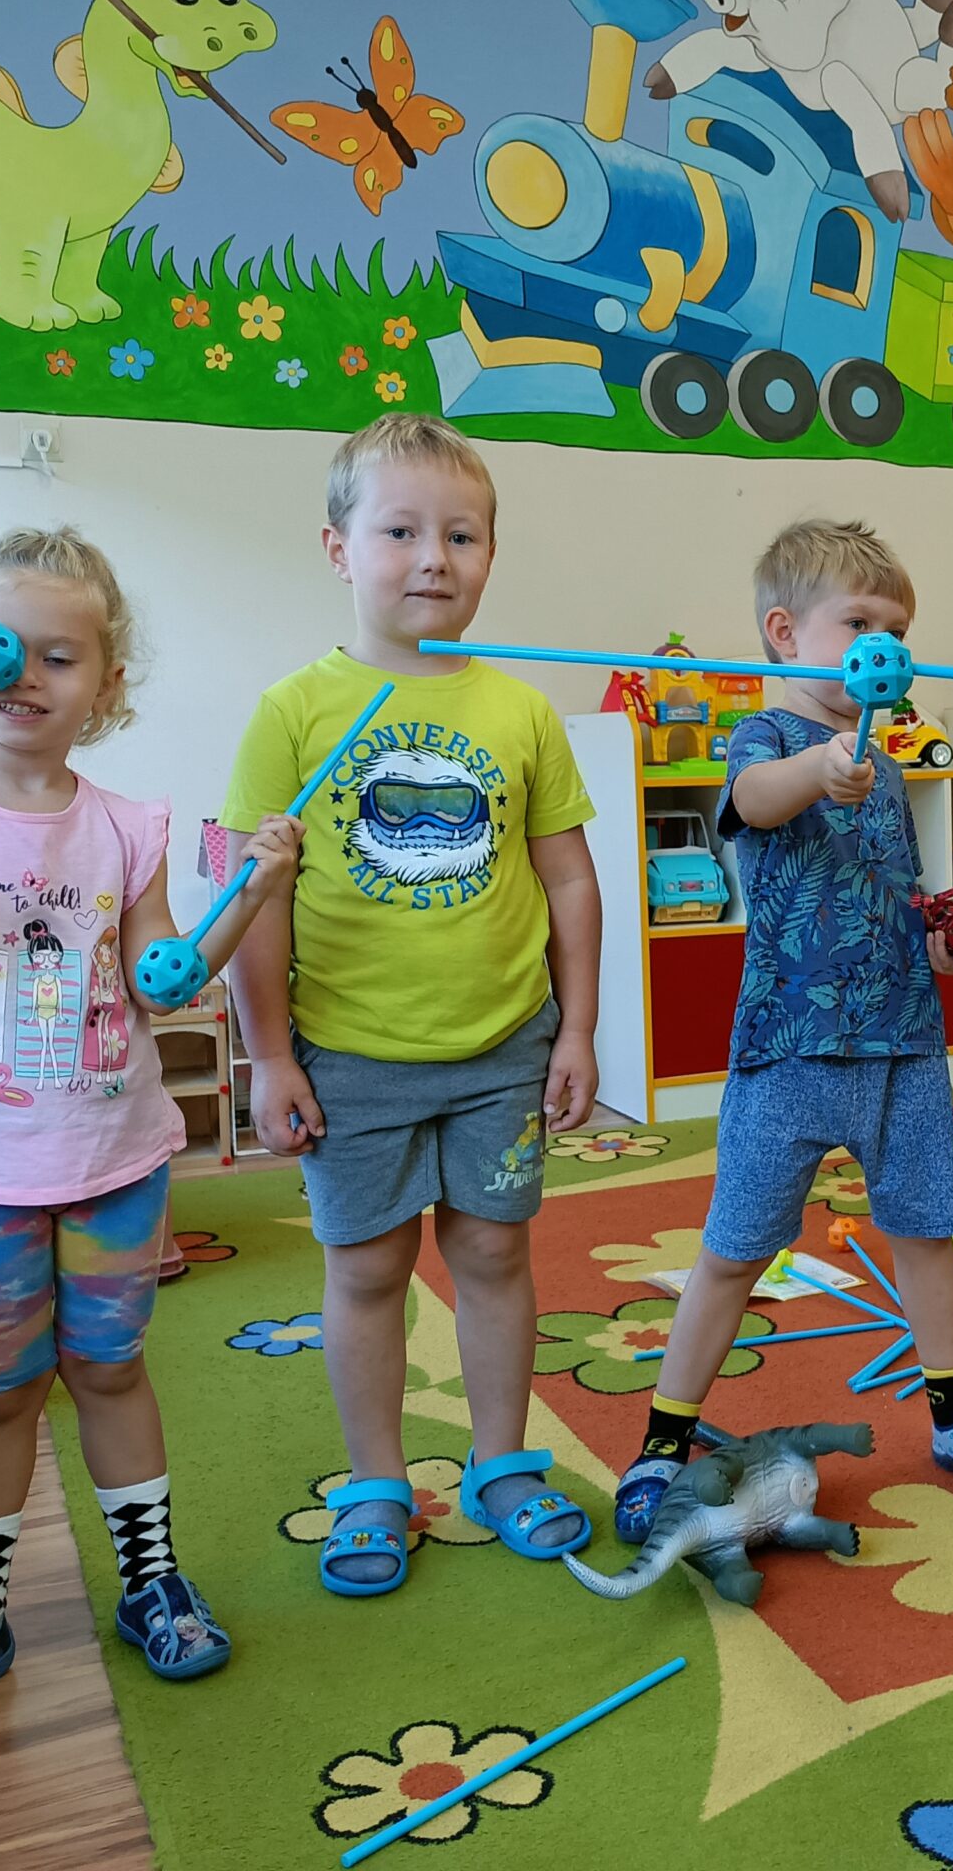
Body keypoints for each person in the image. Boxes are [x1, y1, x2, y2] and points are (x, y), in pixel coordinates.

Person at [0, 527, 301, 1741]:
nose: (28, 677)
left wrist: (251, 891)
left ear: (107, 685)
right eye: (3, 650)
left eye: (62, 657)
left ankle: (152, 1582)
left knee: (109, 1371)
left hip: (111, 1158)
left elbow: (160, 981)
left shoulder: (128, 827)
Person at [223, 414, 602, 1593]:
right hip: (350, 1054)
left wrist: (579, 1029)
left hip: (503, 1048)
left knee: (492, 1251)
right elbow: (251, 901)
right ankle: (378, 1483)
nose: (433, 557)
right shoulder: (293, 712)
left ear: (489, 555)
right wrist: (269, 1057)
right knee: (369, 1270)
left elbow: (569, 880)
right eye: (400, 532)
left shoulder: (521, 712)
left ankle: (502, 1463)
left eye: (462, 535)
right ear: (338, 548)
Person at [611, 520, 953, 1544]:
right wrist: (822, 769)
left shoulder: (887, 767)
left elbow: (891, 896)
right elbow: (755, 801)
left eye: (898, 630)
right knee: (733, 1250)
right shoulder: (766, 740)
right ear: (785, 633)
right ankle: (662, 1442)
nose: (883, 645)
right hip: (788, 1049)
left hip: (902, 1045)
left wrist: (944, 949)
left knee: (926, 1235)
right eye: (859, 623)